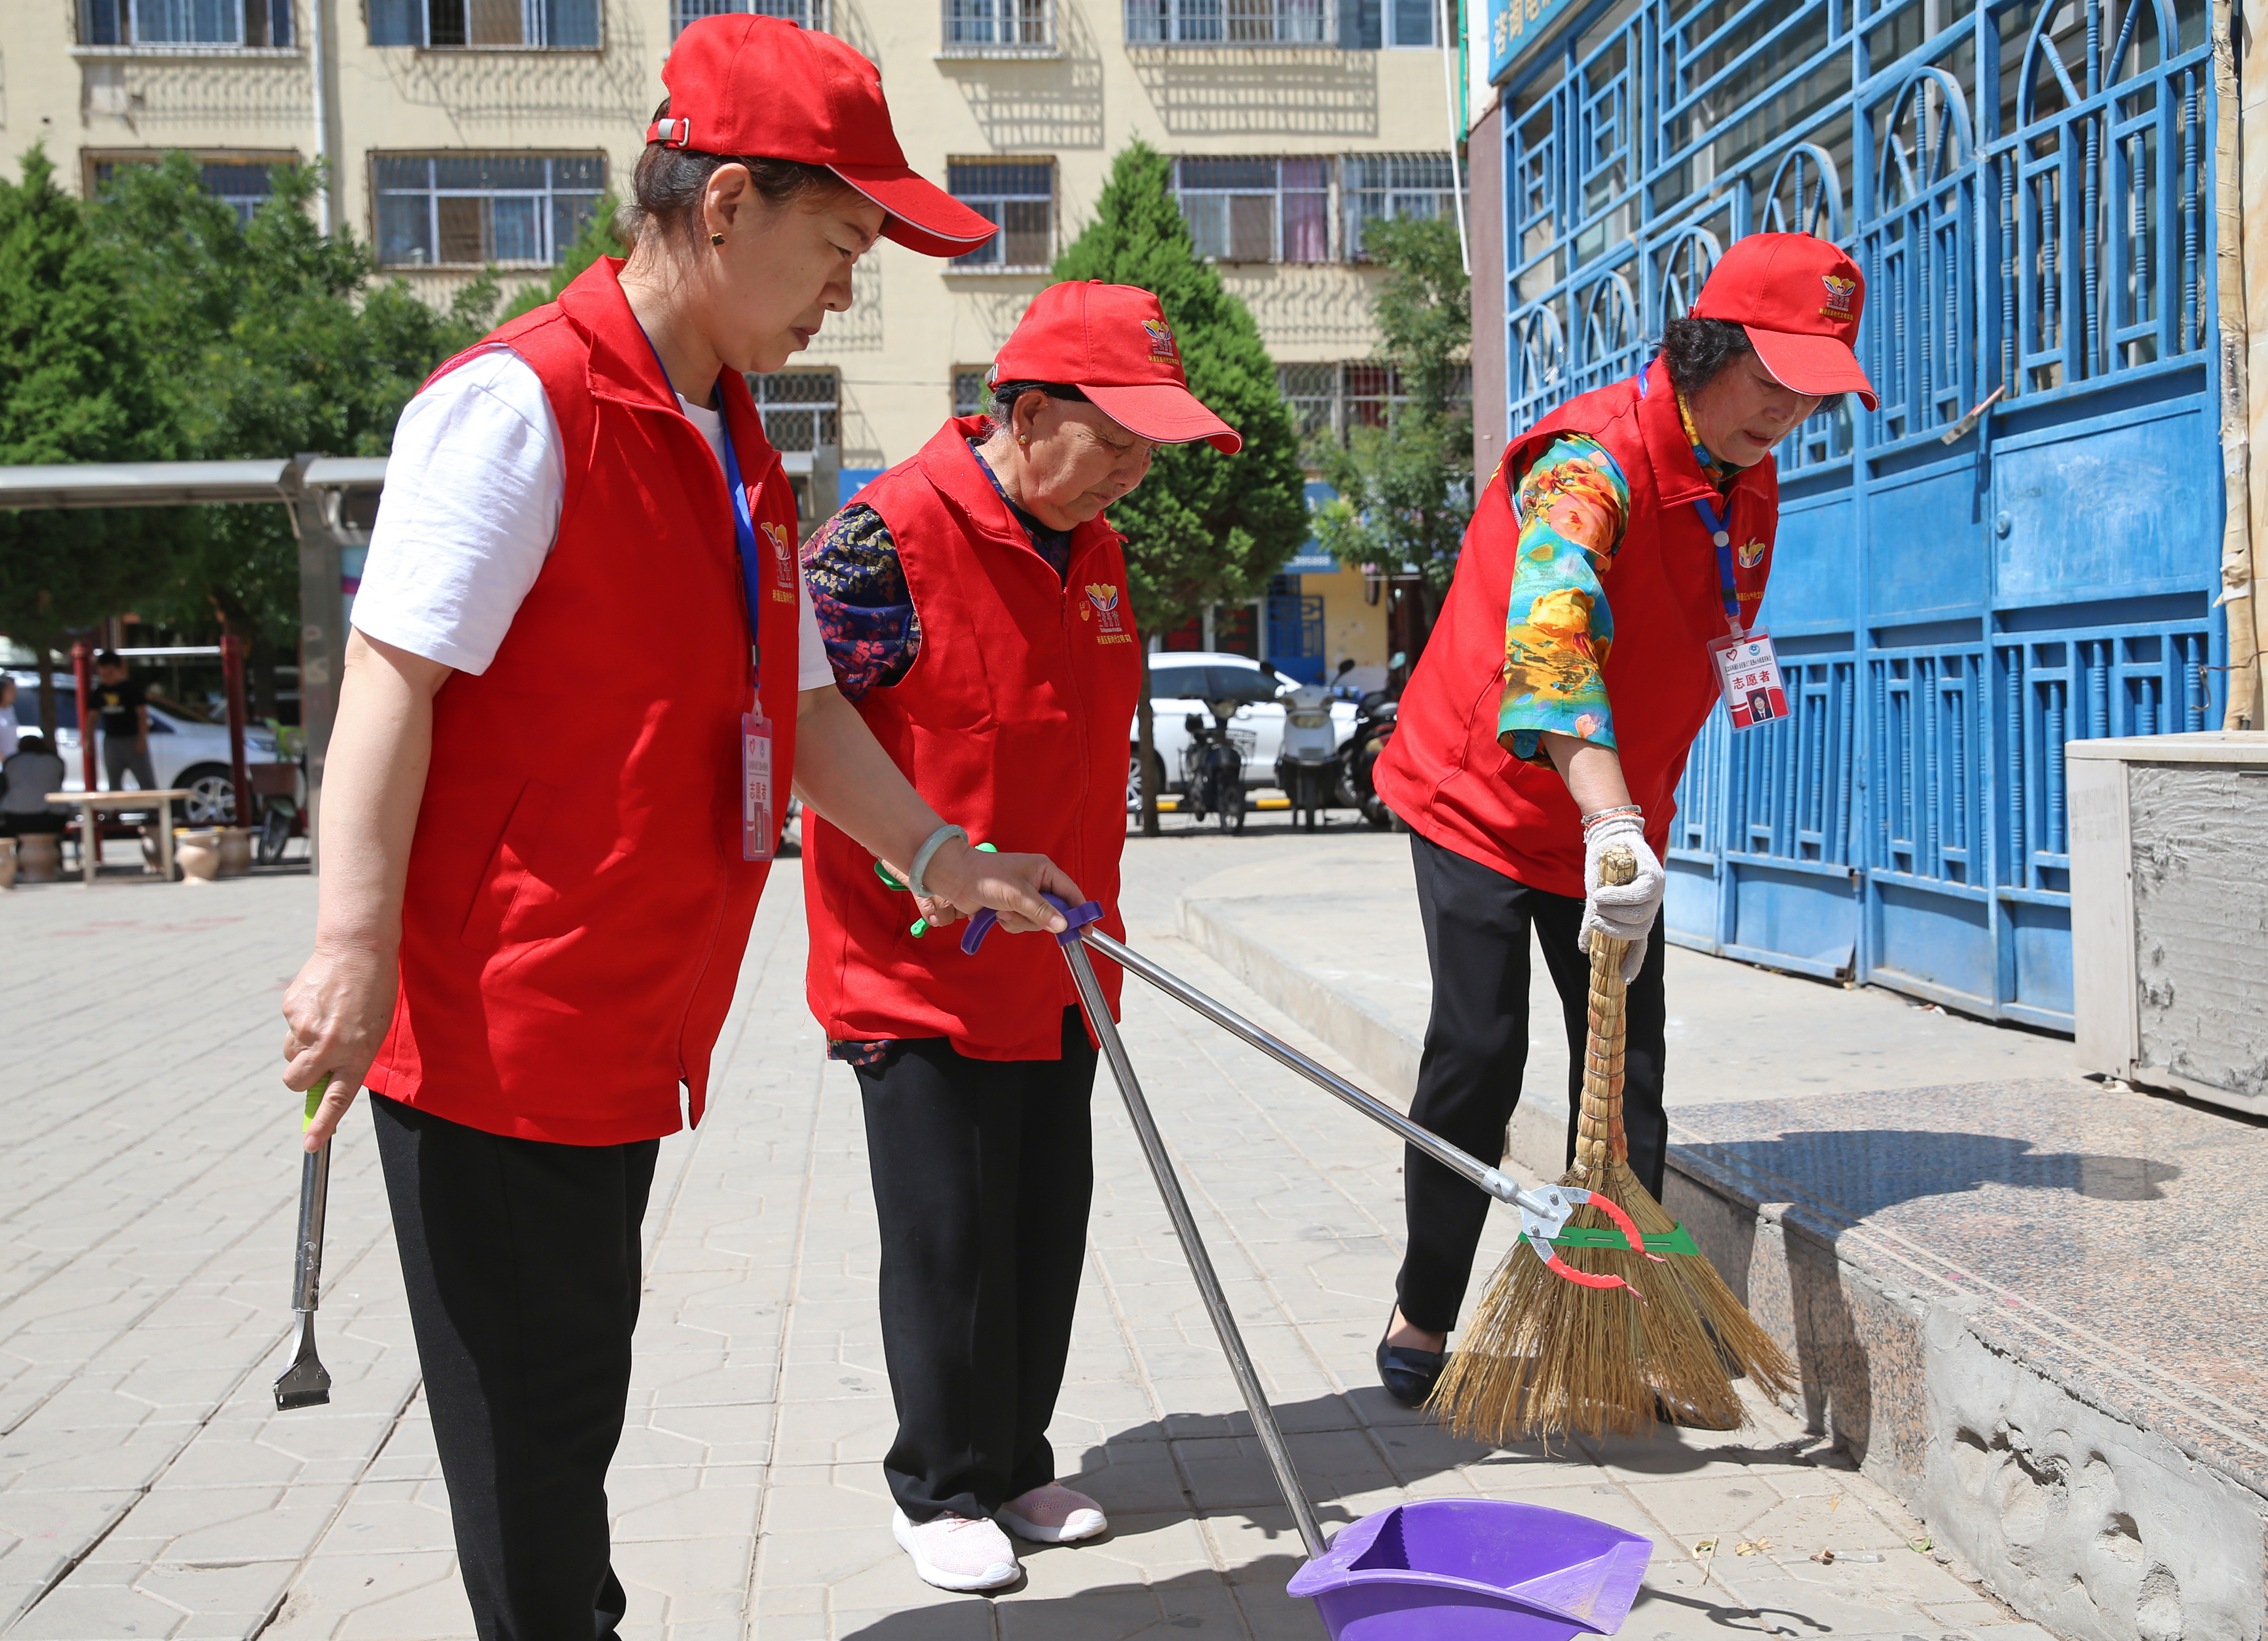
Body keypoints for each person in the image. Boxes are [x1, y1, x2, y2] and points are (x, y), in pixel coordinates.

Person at [276, 19, 1082, 1638]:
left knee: (571, 1399)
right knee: (531, 1440)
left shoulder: (726, 437)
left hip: (621, 1028)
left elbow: (795, 711)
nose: (848, 285)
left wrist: (941, 855)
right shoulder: (523, 410)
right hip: (500, 1029)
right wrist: (351, 947)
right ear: (723, 208)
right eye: (839, 243)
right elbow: (389, 675)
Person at [1369, 234, 1877, 1412]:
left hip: (1612, 822)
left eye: (1813, 391)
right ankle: (1425, 1304)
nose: (1788, 411)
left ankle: (1608, 1328)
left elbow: (1692, 641)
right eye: (1771, 378)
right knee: (1479, 1051)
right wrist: (1605, 817)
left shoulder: (1746, 480)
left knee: (1627, 1071)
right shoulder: (1586, 464)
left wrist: (1625, 823)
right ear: (1707, 347)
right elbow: (1546, 644)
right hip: (1484, 801)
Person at [802, 281, 1242, 1592]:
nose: (1129, 477)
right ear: (1026, 409)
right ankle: (934, 1483)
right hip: (919, 961)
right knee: (950, 1233)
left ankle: (1011, 1456)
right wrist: (933, 862)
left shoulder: (1093, 547)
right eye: (1110, 443)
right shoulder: (881, 542)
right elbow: (805, 731)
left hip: (1062, 960)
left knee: (1045, 1221)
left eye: (1146, 455)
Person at [92, 652, 154, 793]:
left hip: (133, 739)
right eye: (103, 675)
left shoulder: (131, 689)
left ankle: (153, 813)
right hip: (112, 741)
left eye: (110, 674)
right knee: (113, 782)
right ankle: (115, 813)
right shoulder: (100, 692)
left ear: (120, 670)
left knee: (146, 780)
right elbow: (92, 716)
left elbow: (142, 715)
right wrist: (88, 738)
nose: (107, 679)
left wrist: (142, 739)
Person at [1, 734, 69, 836]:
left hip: (16, 817)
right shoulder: (55, 761)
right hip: (52, 817)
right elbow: (59, 782)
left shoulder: (12, 761)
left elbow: (4, 787)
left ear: (20, 747)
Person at [0, 676, 20, 759]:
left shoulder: (10, 709)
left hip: (12, 762)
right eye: (11, 690)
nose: (14, 694)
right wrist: (4, 762)